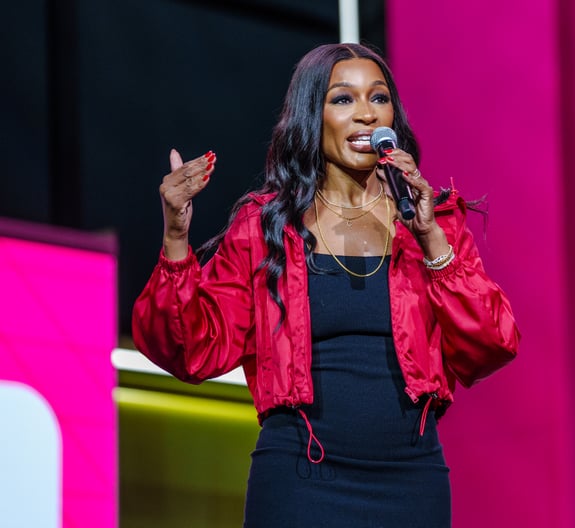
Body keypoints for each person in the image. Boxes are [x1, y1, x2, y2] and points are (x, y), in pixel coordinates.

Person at [132, 43, 520, 528]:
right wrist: (175, 235)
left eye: (378, 98)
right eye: (343, 99)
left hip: (411, 482)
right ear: (310, 118)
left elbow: (491, 344)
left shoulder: (428, 218)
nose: (364, 113)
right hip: (300, 480)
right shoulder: (265, 225)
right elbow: (190, 348)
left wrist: (433, 240)